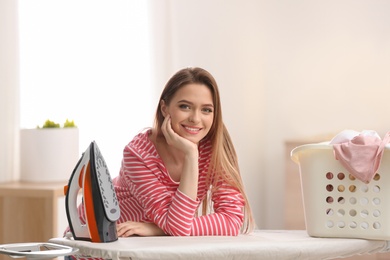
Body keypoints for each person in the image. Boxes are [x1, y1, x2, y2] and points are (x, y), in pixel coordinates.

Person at [66, 67, 255, 241]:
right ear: (165, 108)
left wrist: (157, 229)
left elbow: (231, 220)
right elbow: (177, 228)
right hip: (95, 244)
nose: (196, 118)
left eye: (206, 110)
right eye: (185, 106)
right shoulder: (138, 154)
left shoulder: (214, 151)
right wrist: (191, 154)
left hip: (145, 247)